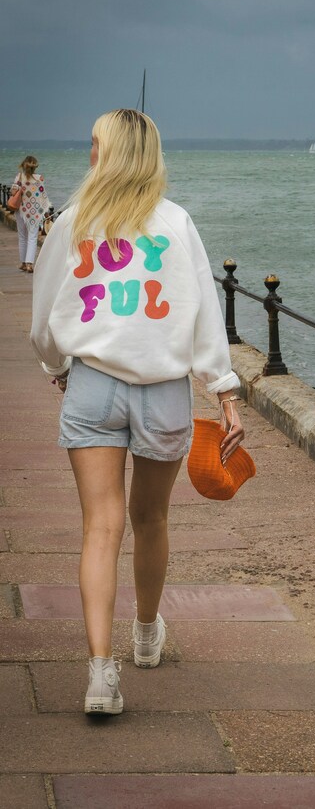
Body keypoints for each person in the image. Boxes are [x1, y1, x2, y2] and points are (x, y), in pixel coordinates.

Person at [30, 109, 244, 716]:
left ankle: (102, 674)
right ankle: (146, 633)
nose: (89, 153)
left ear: (109, 153)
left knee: (101, 526)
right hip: (165, 392)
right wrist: (225, 393)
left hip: (93, 385)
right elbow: (205, 315)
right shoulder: (177, 224)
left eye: (94, 144)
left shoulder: (72, 222)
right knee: (151, 519)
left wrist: (58, 367)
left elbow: (44, 317)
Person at [10, 155, 51, 272]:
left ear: (23, 165)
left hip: (21, 212)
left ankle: (23, 263)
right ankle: (29, 264)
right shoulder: (39, 179)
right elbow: (43, 198)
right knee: (32, 237)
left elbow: (13, 193)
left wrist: (19, 187)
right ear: (35, 167)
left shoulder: (19, 177)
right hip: (35, 214)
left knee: (22, 237)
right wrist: (46, 212)